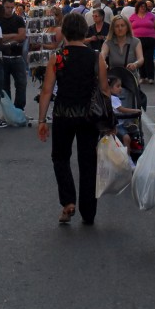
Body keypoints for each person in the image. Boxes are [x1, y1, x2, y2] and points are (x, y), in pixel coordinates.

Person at [37, 12, 107, 225]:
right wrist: (109, 122)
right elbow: (105, 90)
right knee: (88, 162)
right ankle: (89, 211)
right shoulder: (97, 57)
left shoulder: (57, 57)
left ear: (64, 32)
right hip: (89, 116)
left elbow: (47, 90)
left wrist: (41, 120)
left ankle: (68, 201)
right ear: (84, 32)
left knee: (60, 158)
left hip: (63, 114)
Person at [0, 0, 27, 110]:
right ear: (3, 6)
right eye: (7, 7)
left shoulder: (19, 19)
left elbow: (22, 36)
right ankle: (9, 110)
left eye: (12, 7)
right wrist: (14, 36)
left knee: (21, 84)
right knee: (5, 87)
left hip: (17, 57)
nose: (10, 10)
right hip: (2, 58)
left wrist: (6, 37)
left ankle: (19, 109)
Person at [108, 74, 141, 152]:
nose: (121, 88)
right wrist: (135, 110)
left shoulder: (111, 97)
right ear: (109, 88)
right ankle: (127, 157)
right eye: (118, 86)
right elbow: (122, 110)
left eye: (121, 86)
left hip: (119, 123)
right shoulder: (113, 99)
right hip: (116, 125)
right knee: (127, 138)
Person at [129, 0, 155, 84]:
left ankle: (150, 77)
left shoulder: (151, 15)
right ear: (138, 7)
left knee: (149, 58)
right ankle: (142, 76)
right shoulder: (133, 16)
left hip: (150, 39)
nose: (143, 8)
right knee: (140, 58)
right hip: (137, 40)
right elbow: (130, 28)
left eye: (144, 7)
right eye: (141, 6)